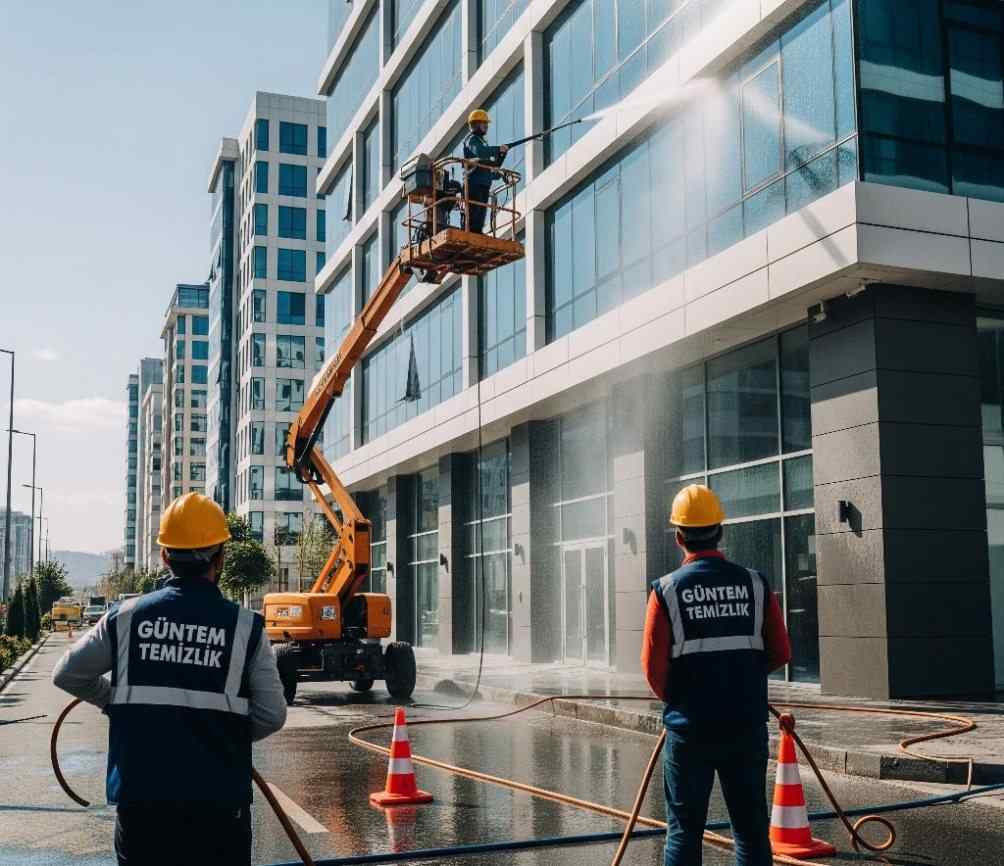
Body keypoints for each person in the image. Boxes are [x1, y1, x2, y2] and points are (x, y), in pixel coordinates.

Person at [52, 493, 287, 866]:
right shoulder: (245, 626)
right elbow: (272, 714)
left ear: (165, 556)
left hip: (143, 804)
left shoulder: (125, 617)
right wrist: (223, 732)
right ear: (220, 557)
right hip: (218, 807)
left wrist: (114, 702)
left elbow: (68, 673)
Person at [641, 484, 791, 866]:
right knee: (751, 830)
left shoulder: (666, 591)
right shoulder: (756, 584)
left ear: (679, 537)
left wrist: (687, 697)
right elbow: (781, 652)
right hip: (745, 725)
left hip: (690, 729)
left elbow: (653, 671)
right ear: (721, 531)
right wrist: (739, 681)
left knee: (684, 831)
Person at [462, 108, 508, 234]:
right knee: (474, 211)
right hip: (474, 183)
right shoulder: (472, 140)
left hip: (483, 184)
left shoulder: (483, 143)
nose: (486, 126)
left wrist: (502, 155)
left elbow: (491, 165)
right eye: (484, 123)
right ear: (476, 124)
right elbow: (480, 153)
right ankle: (472, 231)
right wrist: (498, 149)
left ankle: (477, 231)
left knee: (482, 212)